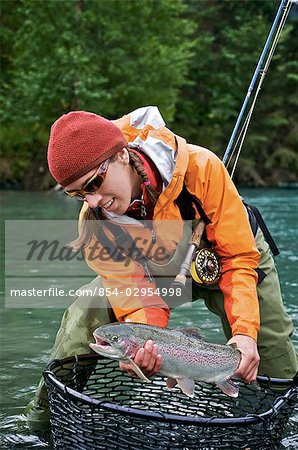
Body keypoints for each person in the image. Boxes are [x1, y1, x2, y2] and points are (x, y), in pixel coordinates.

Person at [25, 105, 297, 431]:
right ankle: (40, 426)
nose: (92, 201)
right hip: (160, 271)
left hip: (233, 259)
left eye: (95, 183)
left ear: (122, 155)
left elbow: (239, 259)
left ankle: (280, 431)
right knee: (88, 306)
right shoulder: (95, 224)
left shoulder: (202, 167)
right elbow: (138, 297)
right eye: (78, 193)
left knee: (277, 368)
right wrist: (146, 346)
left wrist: (244, 335)